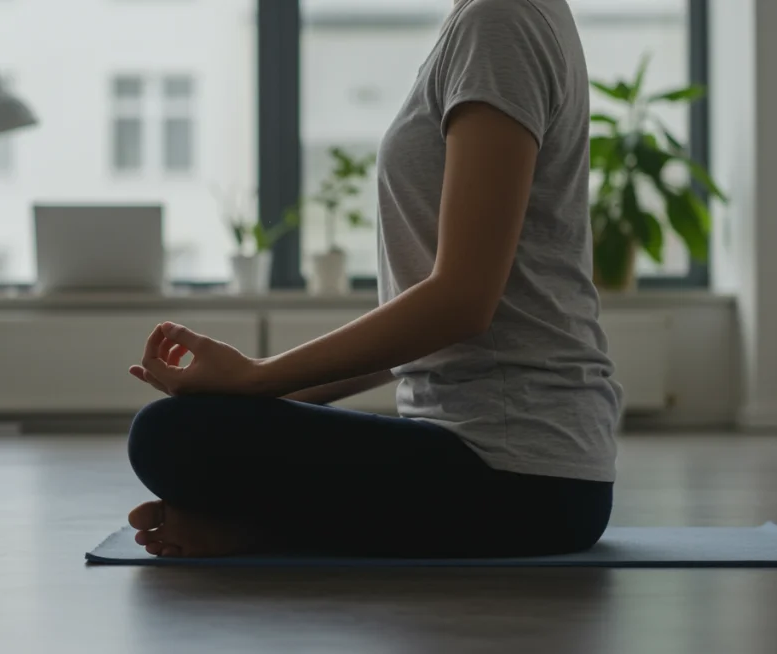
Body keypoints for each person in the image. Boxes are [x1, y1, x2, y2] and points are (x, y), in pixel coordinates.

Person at [124, 0, 623, 559]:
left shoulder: (500, 20)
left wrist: (257, 380)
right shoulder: (487, 22)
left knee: (170, 437)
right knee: (197, 423)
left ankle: (259, 532)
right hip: (509, 465)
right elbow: (424, 326)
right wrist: (250, 392)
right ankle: (259, 527)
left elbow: (460, 304)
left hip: (521, 476)